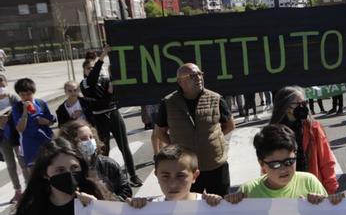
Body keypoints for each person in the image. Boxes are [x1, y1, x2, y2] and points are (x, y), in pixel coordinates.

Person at [155, 63, 235, 195]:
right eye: (192, 75)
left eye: (200, 74)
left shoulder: (215, 98)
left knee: (220, 204)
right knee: (189, 207)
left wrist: (212, 138)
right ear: (180, 81)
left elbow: (230, 125)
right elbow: (160, 132)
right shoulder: (168, 103)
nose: (198, 78)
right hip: (186, 168)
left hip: (215, 163)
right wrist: (176, 146)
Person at [224, 124, 334, 204]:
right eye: (275, 165)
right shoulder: (248, 191)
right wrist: (220, 204)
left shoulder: (309, 182)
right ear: (261, 163)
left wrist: (323, 205)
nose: (283, 169)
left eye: (289, 162)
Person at [80, 47, 141, 186]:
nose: (91, 70)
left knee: (124, 146)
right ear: (84, 70)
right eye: (88, 68)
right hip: (99, 118)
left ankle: (133, 176)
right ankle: (105, 179)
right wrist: (102, 57)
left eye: (92, 67)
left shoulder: (104, 79)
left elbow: (113, 95)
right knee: (103, 149)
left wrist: (112, 79)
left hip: (114, 114)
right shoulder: (85, 83)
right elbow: (100, 98)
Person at [270, 86, 339, 194]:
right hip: (285, 191)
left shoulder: (314, 128)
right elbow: (268, 166)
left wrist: (331, 189)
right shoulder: (273, 132)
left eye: (304, 103)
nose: (302, 107)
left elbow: (326, 161)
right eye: (298, 104)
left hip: (313, 191)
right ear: (286, 107)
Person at [125, 145, 222, 207]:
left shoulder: (208, 204)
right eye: (165, 176)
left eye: (180, 176)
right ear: (157, 175)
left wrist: (227, 203)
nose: (172, 184)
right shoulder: (151, 207)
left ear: (195, 176)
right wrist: (135, 209)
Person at [58, 120, 132, 201]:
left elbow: (125, 190)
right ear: (70, 143)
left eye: (91, 137)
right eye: (83, 139)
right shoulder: (69, 171)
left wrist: (111, 202)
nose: (89, 141)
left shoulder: (107, 163)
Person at [11, 78, 55, 168]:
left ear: (33, 92)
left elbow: (51, 121)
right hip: (30, 145)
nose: (26, 97)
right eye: (22, 95)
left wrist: (47, 122)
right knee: (35, 172)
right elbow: (20, 129)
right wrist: (24, 112)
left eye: (28, 94)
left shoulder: (41, 103)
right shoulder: (17, 107)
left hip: (46, 141)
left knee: (51, 167)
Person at [0, 74, 26, 202]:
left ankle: (29, 188)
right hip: (2, 138)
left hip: (16, 136)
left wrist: (9, 119)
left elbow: (23, 114)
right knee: (10, 165)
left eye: (2, 83)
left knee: (22, 162)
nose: (0, 86)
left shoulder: (13, 98)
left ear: (6, 83)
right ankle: (17, 191)